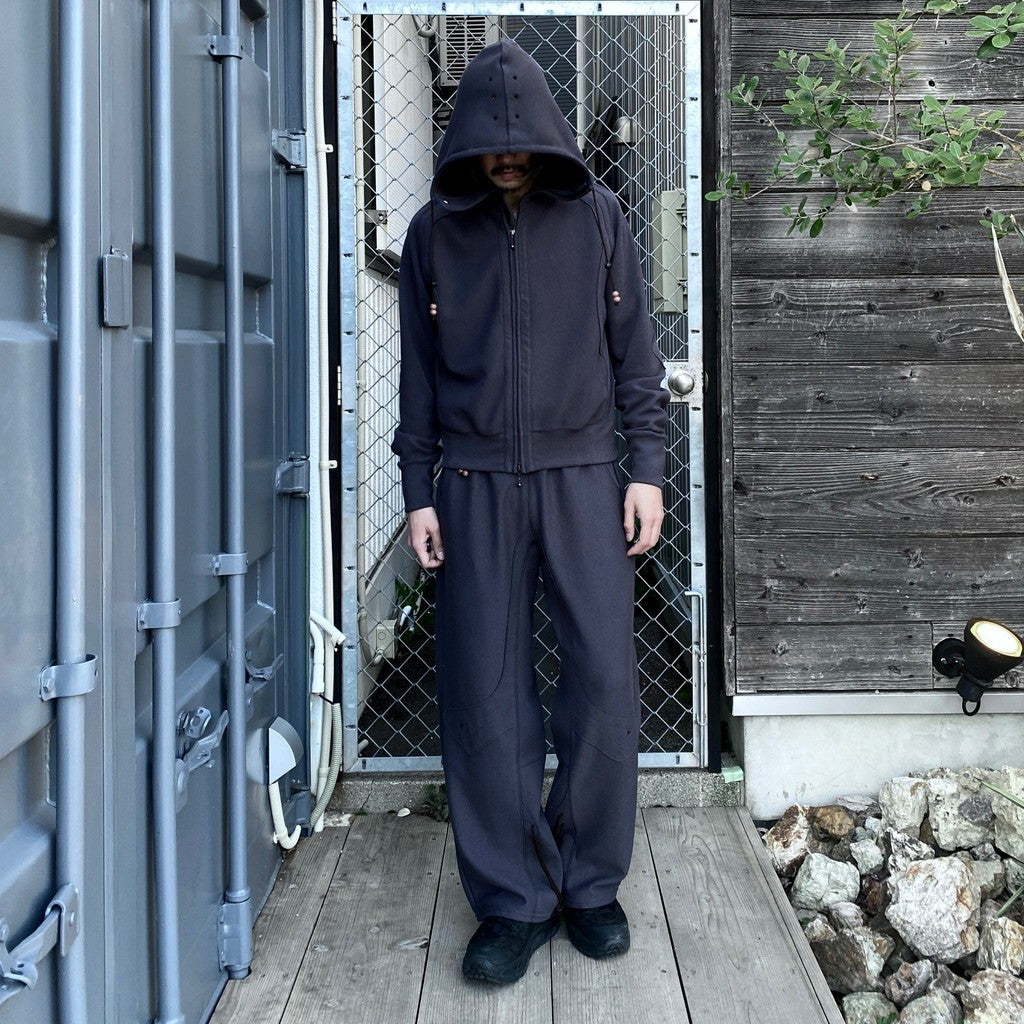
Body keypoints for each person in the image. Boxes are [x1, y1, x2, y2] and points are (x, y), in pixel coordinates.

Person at [391, 38, 669, 985]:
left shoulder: (597, 216)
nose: (506, 158)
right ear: (466, 140)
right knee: (483, 689)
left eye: (521, 142)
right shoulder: (433, 233)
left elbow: (635, 356)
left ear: (546, 136)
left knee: (601, 681)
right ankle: (512, 898)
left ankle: (588, 883)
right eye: (490, 144)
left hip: (584, 476)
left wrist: (646, 469)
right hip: (471, 484)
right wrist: (418, 489)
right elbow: (418, 376)